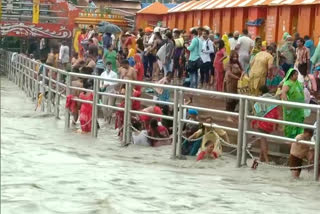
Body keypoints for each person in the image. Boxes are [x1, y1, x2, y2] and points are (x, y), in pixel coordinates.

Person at [251, 86, 280, 163]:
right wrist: (276, 125)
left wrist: (253, 123)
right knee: (263, 139)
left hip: (262, 123)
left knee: (263, 141)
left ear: (261, 92)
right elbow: (276, 113)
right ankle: (261, 158)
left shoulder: (259, 101)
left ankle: (267, 160)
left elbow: (257, 113)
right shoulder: (273, 99)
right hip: (270, 123)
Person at [281, 68, 305, 138]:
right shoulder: (287, 83)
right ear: (291, 76)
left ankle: (298, 136)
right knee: (291, 124)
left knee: (299, 122)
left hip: (298, 108)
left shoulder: (297, 83)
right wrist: (286, 103)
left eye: (297, 74)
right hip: (291, 109)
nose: (297, 76)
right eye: (295, 75)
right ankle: (290, 138)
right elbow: (283, 93)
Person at [224, 50, 243, 119]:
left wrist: (243, 74)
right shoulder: (228, 64)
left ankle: (232, 114)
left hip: (237, 84)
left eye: (236, 57)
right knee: (230, 99)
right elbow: (229, 73)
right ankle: (228, 116)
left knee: (236, 99)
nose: (235, 58)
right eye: (234, 57)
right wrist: (237, 77)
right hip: (230, 83)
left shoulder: (238, 63)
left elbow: (242, 70)